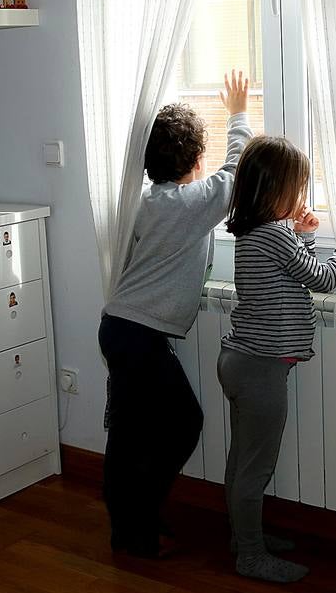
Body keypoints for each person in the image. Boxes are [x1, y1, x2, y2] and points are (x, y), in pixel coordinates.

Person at [99, 71, 252, 558]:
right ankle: (136, 524)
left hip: (121, 328)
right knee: (183, 422)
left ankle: (130, 522)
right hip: (138, 334)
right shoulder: (189, 203)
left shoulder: (144, 201)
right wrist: (239, 114)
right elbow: (236, 174)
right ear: (195, 160)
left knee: (129, 433)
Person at [218, 136, 336, 582]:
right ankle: (250, 556)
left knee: (241, 462)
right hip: (260, 369)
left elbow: (292, 267)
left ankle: (243, 538)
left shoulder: (257, 232)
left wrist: (303, 234)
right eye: (299, 188)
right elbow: (320, 278)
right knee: (256, 468)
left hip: (242, 361)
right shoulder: (274, 235)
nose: (303, 198)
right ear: (275, 192)